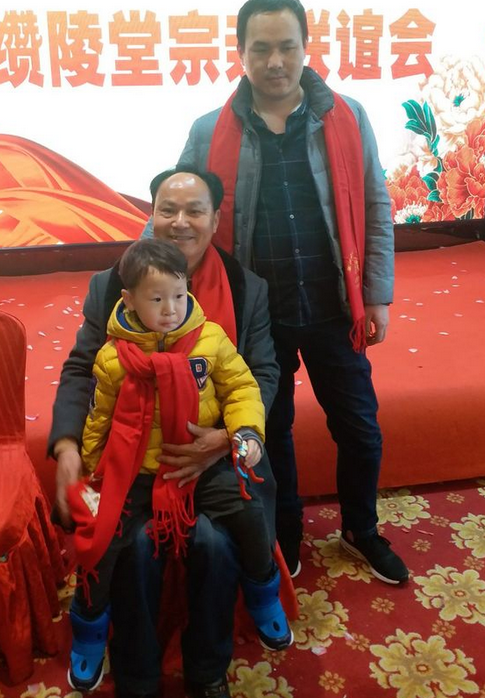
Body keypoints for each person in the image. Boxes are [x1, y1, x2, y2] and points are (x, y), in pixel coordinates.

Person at [172, 0, 408, 585]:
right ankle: (285, 535)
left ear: (306, 47)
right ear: (240, 53)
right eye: (261, 49)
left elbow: (375, 205)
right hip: (256, 318)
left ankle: (360, 528)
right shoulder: (209, 131)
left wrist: (377, 295)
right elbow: (183, 216)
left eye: (286, 47)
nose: (275, 61)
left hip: (334, 305)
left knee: (360, 428)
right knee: (270, 432)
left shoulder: (346, 117)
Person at [49, 167, 282, 698]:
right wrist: (69, 447)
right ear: (150, 216)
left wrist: (227, 439)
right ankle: (135, 676)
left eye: (194, 211)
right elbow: (84, 370)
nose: (180, 222)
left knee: (215, 543)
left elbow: (260, 375)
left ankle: (207, 671)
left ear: (216, 219)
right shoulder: (113, 284)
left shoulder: (245, 288)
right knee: (128, 546)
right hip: (132, 460)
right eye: (167, 210)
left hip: (220, 452)